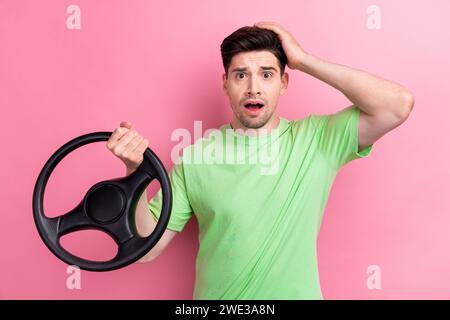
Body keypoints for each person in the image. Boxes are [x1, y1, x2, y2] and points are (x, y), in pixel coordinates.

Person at [106, 22, 414, 299]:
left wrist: (304, 59)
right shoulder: (196, 158)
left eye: (266, 74)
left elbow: (397, 105)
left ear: (283, 82)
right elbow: (147, 247)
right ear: (225, 83)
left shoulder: (318, 139)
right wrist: (135, 173)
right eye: (241, 75)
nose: (254, 87)